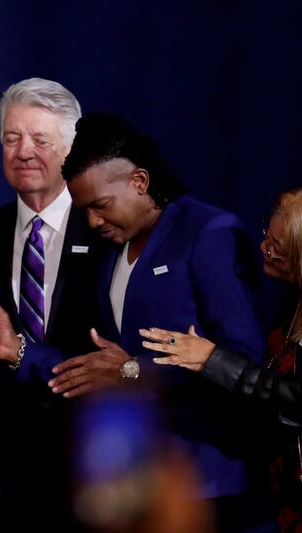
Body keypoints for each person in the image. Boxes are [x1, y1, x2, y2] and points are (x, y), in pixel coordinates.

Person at [53, 112, 266, 530]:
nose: (92, 221)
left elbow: (243, 360)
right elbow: (103, 365)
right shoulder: (111, 250)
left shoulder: (209, 232)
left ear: (139, 182)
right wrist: (17, 353)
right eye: (85, 211)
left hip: (205, 479)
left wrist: (131, 370)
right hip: (132, 478)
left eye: (100, 206)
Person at [0, 77, 107, 532]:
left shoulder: (105, 232)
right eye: (12, 138)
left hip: (88, 461)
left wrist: (23, 354)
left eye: (40, 139)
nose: (24, 151)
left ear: (71, 151)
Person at [140, 188, 302, 531]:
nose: (263, 249)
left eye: (276, 247)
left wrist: (212, 360)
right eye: (265, 236)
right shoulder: (291, 301)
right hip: (283, 489)